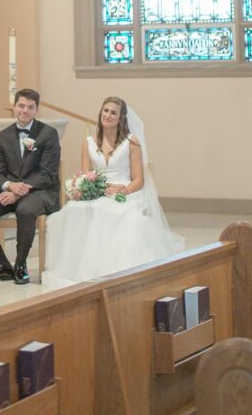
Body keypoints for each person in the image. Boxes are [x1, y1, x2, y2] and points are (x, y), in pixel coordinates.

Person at [45, 96, 184, 282]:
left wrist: (123, 190)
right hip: (99, 191)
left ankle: (117, 269)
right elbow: (87, 175)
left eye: (113, 113)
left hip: (127, 191)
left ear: (121, 118)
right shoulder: (88, 143)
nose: (108, 115)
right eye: (105, 111)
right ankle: (84, 269)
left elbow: (139, 180)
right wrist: (94, 188)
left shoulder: (131, 142)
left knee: (118, 214)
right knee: (73, 210)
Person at [0, 88, 61, 285]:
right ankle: (2, 265)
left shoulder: (48, 134)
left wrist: (19, 191)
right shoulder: (3, 136)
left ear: (36, 110)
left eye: (30, 107)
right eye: (21, 106)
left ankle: (20, 265)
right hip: (11, 191)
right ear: (14, 107)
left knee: (25, 210)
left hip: (41, 191)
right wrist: (9, 186)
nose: (25, 111)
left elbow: (48, 174)